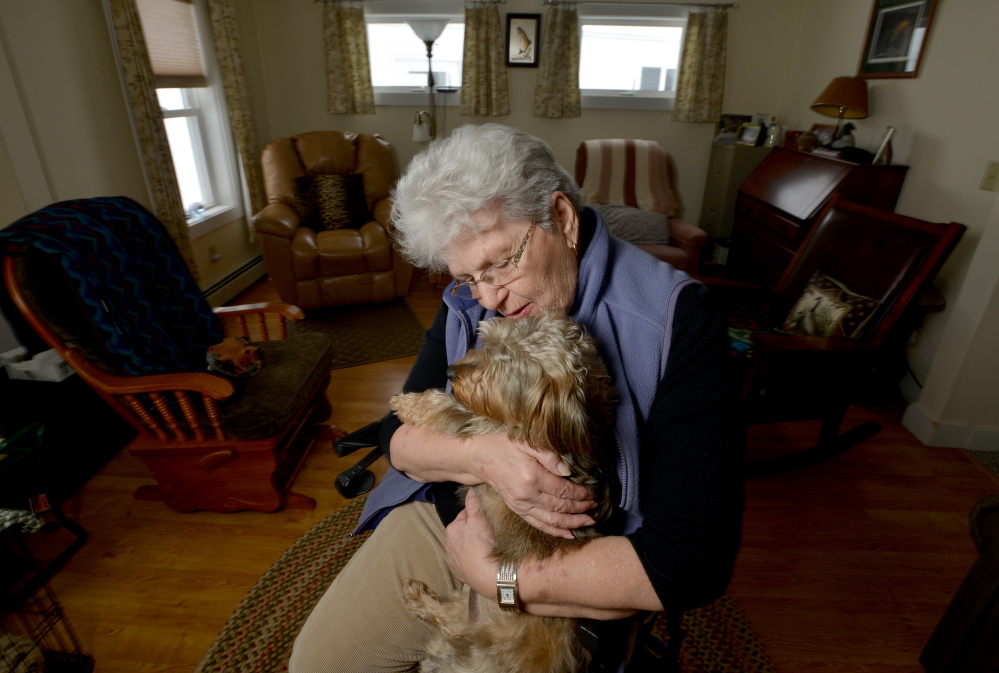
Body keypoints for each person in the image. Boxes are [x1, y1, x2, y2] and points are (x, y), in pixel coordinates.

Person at [289, 124, 743, 672]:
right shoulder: (473, 289)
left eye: (502, 263)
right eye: (466, 277)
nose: (489, 298)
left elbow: (693, 563)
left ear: (562, 218)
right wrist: (485, 458)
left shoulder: (677, 320)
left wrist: (500, 581)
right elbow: (397, 439)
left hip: (577, 562)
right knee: (317, 665)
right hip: (452, 521)